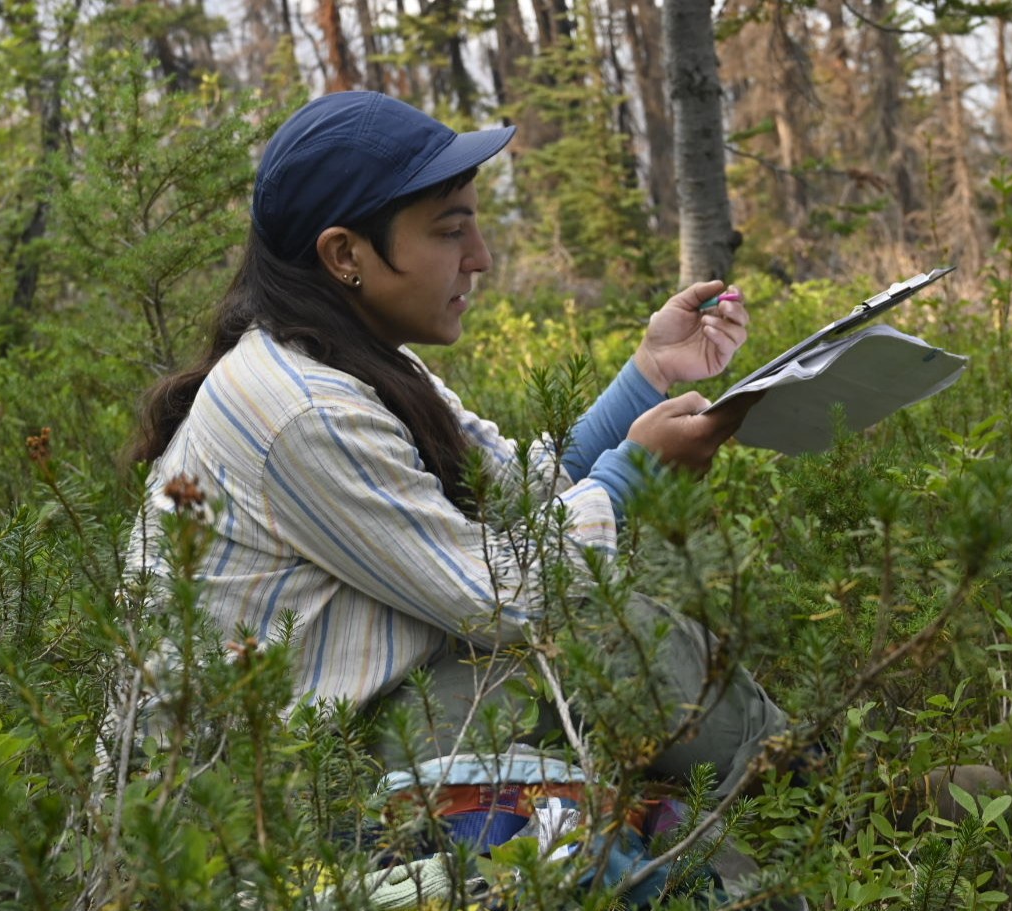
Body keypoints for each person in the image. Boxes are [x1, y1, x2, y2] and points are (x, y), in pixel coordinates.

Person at [123, 91, 787, 799]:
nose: (481, 258)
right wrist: (632, 477)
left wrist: (652, 372)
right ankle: (804, 790)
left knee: (595, 651)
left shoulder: (353, 362)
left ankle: (779, 787)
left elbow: (518, 493)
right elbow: (508, 595)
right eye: (449, 232)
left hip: (328, 735)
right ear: (345, 253)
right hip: (251, 795)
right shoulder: (299, 408)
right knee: (604, 643)